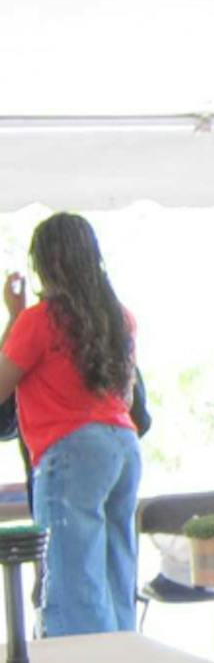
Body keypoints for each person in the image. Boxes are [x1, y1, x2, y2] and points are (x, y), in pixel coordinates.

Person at [0, 213, 145, 635]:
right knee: (116, 575)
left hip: (69, 449)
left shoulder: (39, 320)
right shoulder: (120, 317)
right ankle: (125, 659)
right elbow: (127, 395)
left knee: (70, 581)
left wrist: (13, 318)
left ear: (46, 262)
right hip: (123, 444)